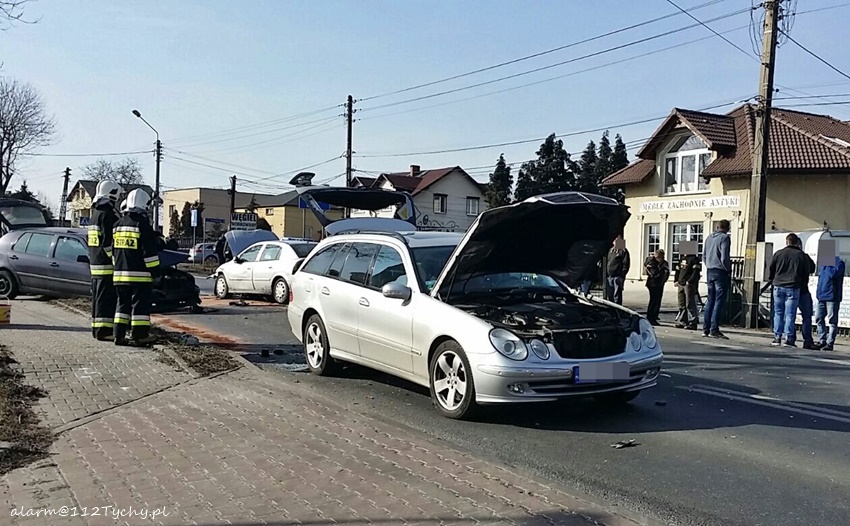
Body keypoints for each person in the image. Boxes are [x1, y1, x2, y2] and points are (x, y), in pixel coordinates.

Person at [112, 189, 160, 346]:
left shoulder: (117, 225)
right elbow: (149, 253)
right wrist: (156, 272)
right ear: (144, 204)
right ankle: (139, 336)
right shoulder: (142, 224)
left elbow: (114, 251)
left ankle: (118, 335)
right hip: (140, 276)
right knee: (140, 308)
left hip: (119, 275)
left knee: (122, 305)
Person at [87, 181, 124, 341]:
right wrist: (116, 260)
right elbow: (108, 243)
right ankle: (104, 332)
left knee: (98, 300)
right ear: (112, 194)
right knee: (106, 300)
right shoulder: (107, 215)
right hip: (106, 265)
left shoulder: (95, 214)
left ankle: (97, 330)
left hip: (96, 264)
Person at [767, 233, 812, 347]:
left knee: (778, 313)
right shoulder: (801, 255)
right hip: (793, 286)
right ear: (797, 243)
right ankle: (788, 338)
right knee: (790, 314)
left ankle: (777, 337)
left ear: (786, 241)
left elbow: (771, 269)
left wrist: (772, 280)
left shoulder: (778, 253)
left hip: (778, 285)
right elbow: (808, 270)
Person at [702, 220, 732, 339]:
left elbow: (704, 256)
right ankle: (714, 329)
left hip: (710, 270)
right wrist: (728, 269)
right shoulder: (725, 238)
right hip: (720, 271)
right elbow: (724, 257)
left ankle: (706, 328)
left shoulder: (709, 238)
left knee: (710, 300)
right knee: (719, 301)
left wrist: (709, 264)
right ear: (727, 228)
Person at [815, 256, 845, 351]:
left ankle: (830, 343)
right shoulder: (823, 264)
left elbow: (832, 274)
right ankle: (822, 340)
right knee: (818, 318)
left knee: (832, 320)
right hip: (821, 296)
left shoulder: (839, 263)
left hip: (832, 297)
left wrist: (828, 264)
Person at [794, 238, 817, 349]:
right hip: (803, 290)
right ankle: (807, 340)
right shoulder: (804, 257)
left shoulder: (782, 254)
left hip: (789, 288)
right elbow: (812, 268)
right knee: (807, 316)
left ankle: (789, 338)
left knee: (789, 315)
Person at [675, 249, 702, 330]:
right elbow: (677, 270)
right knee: (681, 304)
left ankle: (692, 322)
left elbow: (696, 272)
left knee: (690, 303)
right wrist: (676, 280)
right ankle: (683, 321)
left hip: (688, 284)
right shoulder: (682, 259)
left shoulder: (694, 259)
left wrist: (690, 281)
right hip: (680, 283)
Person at [644, 249, 670, 326]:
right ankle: (650, 317)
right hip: (652, 283)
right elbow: (653, 273)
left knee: (657, 301)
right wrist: (660, 269)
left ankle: (654, 316)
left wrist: (664, 279)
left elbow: (667, 272)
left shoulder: (664, 263)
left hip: (660, 283)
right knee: (653, 301)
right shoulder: (652, 262)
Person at [606, 238, 630, 305]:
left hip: (618, 276)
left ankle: (617, 308)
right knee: (610, 294)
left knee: (617, 294)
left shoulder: (623, 251)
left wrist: (622, 274)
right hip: (610, 275)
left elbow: (626, 264)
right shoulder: (611, 251)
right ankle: (611, 307)